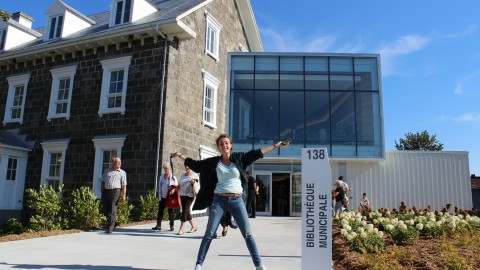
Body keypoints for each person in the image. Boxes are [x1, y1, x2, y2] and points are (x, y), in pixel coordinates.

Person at [172, 133, 290, 270]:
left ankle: (258, 265)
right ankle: (199, 264)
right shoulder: (213, 162)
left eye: (226, 143)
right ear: (218, 147)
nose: (224, 145)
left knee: (248, 233)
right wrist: (180, 155)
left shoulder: (239, 158)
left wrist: (276, 146)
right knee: (209, 232)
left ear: (231, 145)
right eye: (221, 144)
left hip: (237, 200)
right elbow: (195, 165)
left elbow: (258, 153)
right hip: (219, 200)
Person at [101, 157, 127, 233]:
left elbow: (124, 185)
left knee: (113, 208)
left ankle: (110, 228)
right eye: (117, 162)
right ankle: (113, 223)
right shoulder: (107, 171)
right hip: (106, 191)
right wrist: (102, 190)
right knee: (106, 209)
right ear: (113, 163)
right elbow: (102, 180)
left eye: (120, 162)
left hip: (116, 191)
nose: (119, 163)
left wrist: (123, 194)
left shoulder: (122, 172)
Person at [152, 162, 178, 231]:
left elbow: (177, 188)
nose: (167, 171)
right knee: (160, 211)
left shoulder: (173, 178)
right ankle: (158, 225)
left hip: (170, 197)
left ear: (170, 169)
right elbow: (159, 187)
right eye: (165, 169)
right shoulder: (161, 177)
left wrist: (172, 189)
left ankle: (172, 226)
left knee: (170, 211)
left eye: (168, 169)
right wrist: (159, 197)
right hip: (163, 197)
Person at [176, 166, 199, 235]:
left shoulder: (195, 175)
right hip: (182, 195)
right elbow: (180, 185)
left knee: (184, 211)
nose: (187, 169)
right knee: (187, 211)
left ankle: (181, 229)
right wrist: (174, 189)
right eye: (186, 168)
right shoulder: (183, 175)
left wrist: (193, 182)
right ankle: (193, 226)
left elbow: (197, 185)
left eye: (188, 168)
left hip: (190, 195)